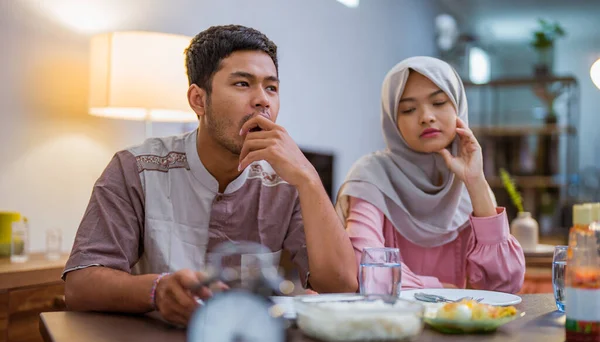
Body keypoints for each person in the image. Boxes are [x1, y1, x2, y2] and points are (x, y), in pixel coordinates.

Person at [64, 25, 357, 326]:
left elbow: (343, 287)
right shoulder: (136, 169)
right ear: (198, 100)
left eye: (271, 88)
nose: (263, 101)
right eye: (243, 83)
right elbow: (80, 285)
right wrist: (156, 291)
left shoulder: (288, 181)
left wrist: (308, 178)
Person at [336, 56, 525, 293]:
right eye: (408, 109)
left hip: (457, 325)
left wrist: (476, 181)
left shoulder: (470, 187)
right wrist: (440, 291)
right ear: (393, 121)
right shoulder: (370, 177)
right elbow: (366, 269)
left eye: (438, 102)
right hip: (389, 322)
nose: (426, 116)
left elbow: (503, 285)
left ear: (458, 106)